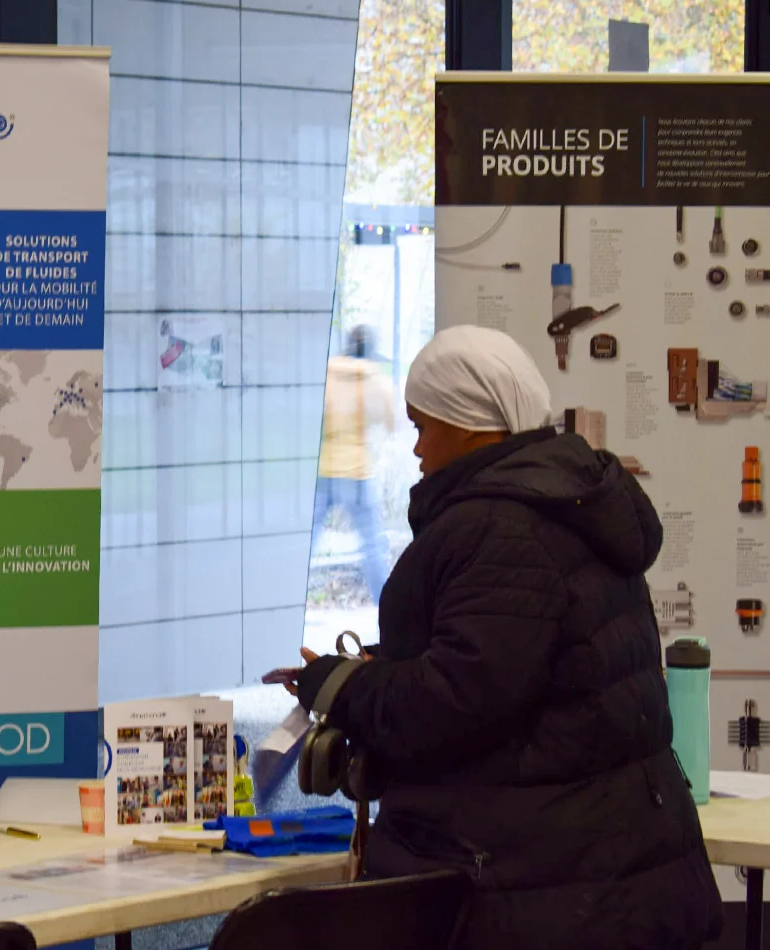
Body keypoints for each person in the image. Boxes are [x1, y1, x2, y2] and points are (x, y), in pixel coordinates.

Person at [284, 325, 722, 949]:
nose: (416, 451)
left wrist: (346, 687)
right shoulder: (567, 507)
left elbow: (457, 700)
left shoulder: (497, 526)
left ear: (469, 426)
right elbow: (530, 669)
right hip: (605, 874)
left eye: (422, 427)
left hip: (530, 890)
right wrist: (393, 663)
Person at [311, 325, 396, 604]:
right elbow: (392, 422)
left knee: (307, 543)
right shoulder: (376, 379)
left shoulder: (327, 374)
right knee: (371, 547)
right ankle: (386, 610)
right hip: (357, 473)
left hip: (324, 470)